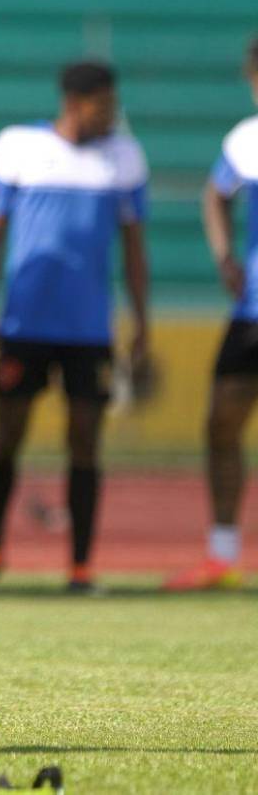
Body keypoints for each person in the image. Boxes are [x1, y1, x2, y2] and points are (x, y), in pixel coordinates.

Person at [0, 60, 150, 593]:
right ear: (74, 104)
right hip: (24, 324)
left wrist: (141, 319)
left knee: (85, 441)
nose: (111, 115)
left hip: (89, 331)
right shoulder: (18, 146)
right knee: (7, 436)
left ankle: (80, 566)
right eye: (103, 106)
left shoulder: (125, 157)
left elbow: (134, 249)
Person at [164, 39, 258, 592]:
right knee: (222, 423)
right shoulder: (246, 139)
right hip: (251, 312)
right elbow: (215, 195)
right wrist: (224, 255)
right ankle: (222, 556)